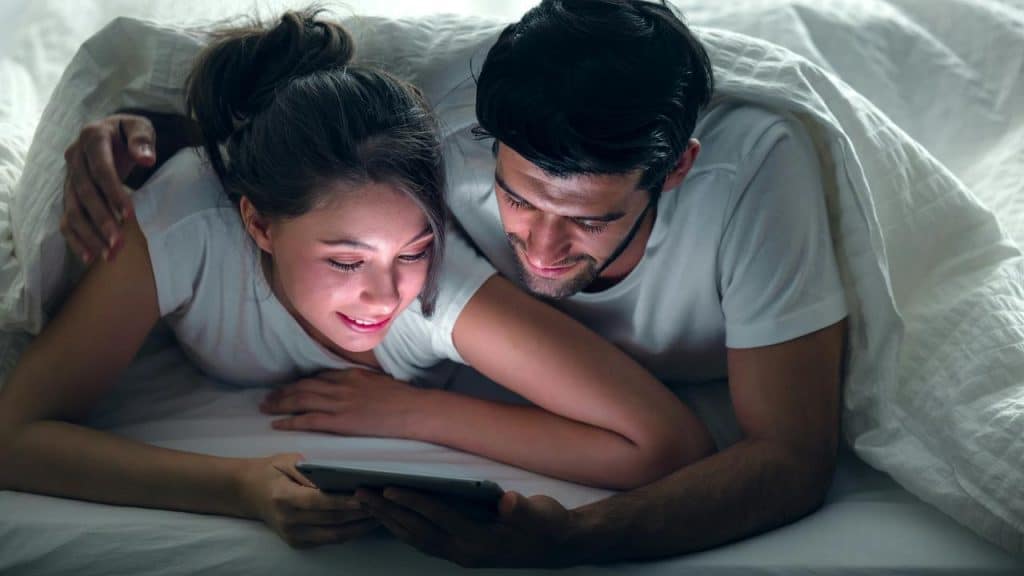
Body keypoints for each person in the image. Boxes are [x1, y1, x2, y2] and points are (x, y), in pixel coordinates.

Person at [57, 0, 848, 567]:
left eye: (590, 221)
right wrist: (143, 131)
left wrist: (565, 534)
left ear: (675, 169)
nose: (539, 249)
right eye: (518, 200)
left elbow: (781, 454)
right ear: (484, 143)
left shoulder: (752, 179)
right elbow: (297, 127)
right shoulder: (450, 128)